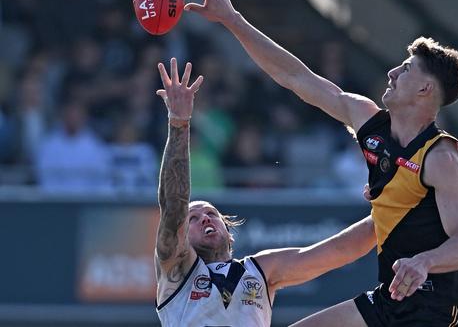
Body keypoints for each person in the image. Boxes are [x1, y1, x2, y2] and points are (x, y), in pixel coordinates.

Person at [182, 0, 458, 327]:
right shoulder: (369, 121)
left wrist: (424, 261)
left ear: (425, 89)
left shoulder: (440, 156)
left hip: (438, 310)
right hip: (390, 300)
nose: (392, 72)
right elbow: (296, 78)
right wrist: (233, 19)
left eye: (407, 69)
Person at [154, 58, 376, 326]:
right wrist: (179, 123)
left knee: (357, 310)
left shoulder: (261, 269)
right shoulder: (177, 270)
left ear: (228, 231)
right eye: (193, 218)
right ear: (182, 236)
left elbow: (340, 250)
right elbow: (173, 207)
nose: (205, 218)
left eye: (212, 214)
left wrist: (391, 206)